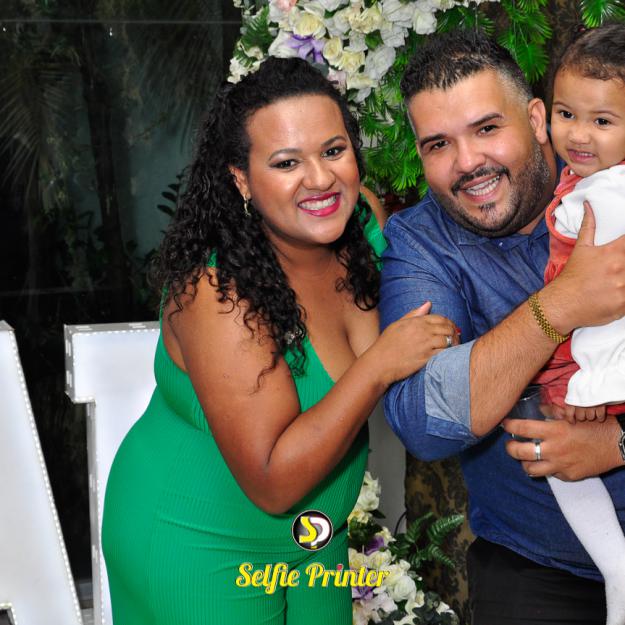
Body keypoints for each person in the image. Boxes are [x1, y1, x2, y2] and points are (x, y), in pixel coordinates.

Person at [101, 57, 457, 625]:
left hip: (315, 540)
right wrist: (379, 365)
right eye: (286, 162)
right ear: (242, 179)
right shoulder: (217, 292)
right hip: (199, 543)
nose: (319, 179)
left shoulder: (362, 226)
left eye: (333, 151)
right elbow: (271, 481)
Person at [379, 29, 625, 625]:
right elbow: (424, 423)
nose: (468, 163)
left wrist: (616, 443)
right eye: (439, 144)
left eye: (487, 128)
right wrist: (560, 304)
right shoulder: (423, 244)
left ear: (537, 119)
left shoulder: (612, 189)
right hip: (537, 568)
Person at [530, 23, 625, 625]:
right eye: (567, 114)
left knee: (551, 439)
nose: (579, 134)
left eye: (602, 121)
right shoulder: (591, 178)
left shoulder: (608, 197)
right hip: (588, 349)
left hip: (593, 359)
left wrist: (592, 388)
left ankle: (617, 566)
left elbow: (608, 307)